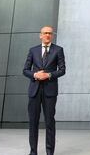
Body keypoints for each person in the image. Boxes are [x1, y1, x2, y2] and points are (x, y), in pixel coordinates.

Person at [23, 26, 65, 155]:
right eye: (45, 33)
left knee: (49, 123)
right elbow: (25, 70)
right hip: (34, 91)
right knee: (33, 123)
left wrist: (49, 75)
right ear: (40, 35)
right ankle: (33, 152)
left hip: (50, 91)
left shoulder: (58, 50)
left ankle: (49, 152)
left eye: (50, 33)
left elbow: (62, 70)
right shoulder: (33, 50)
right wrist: (35, 75)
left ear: (52, 36)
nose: (47, 35)